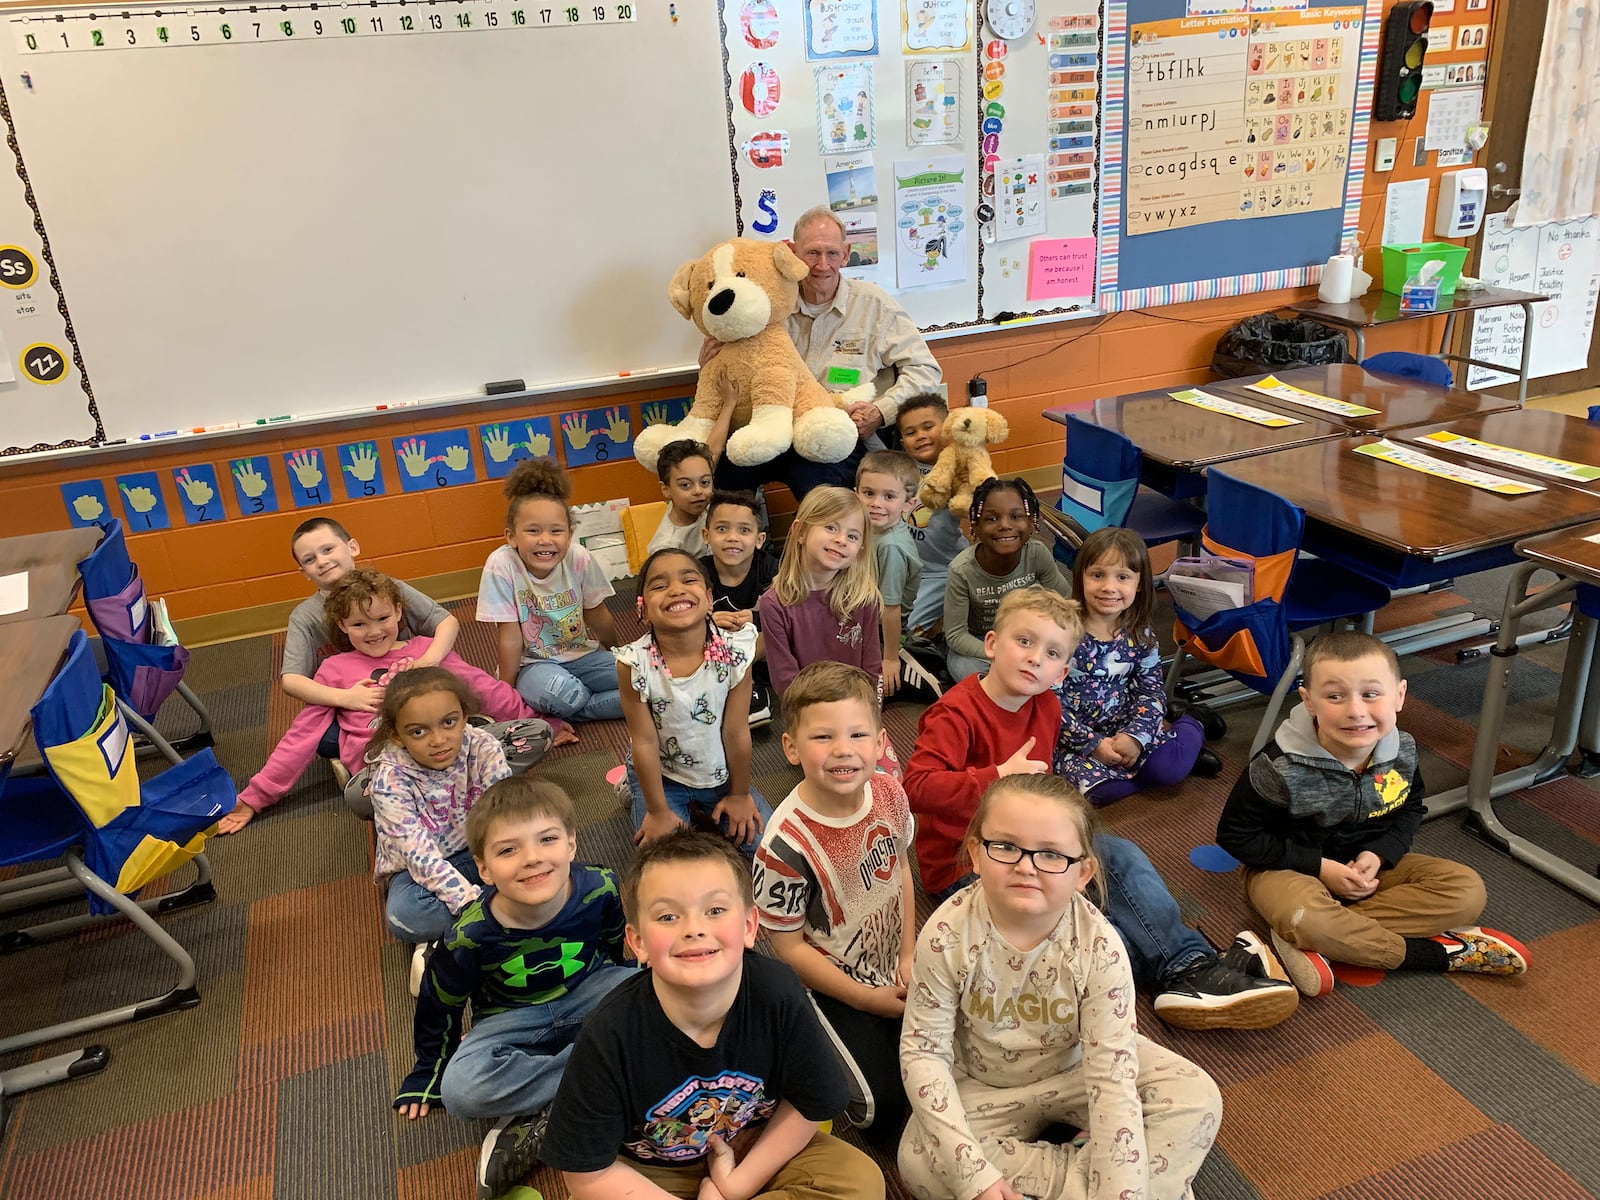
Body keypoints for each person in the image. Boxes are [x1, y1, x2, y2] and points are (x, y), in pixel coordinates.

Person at [905, 586, 1299, 1031]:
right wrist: (996, 776)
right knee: (1082, 909)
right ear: (992, 644)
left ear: (1062, 670)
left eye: (1052, 652)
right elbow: (916, 788)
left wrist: (1066, 837)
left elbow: (1046, 785)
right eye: (1024, 641)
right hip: (965, 859)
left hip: (1031, 836)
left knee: (1121, 857)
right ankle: (1156, 974)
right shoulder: (955, 713)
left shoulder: (1047, 705)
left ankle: (1189, 965)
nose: (1036, 658)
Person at [898, 773, 1224, 1200]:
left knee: (1196, 1097)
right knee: (918, 1160)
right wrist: (973, 1177)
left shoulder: (1099, 946)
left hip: (1080, 1068)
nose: (1026, 865)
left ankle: (1092, 1179)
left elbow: (1111, 1073)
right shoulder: (945, 934)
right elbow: (923, 1052)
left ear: (1083, 871)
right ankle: (1095, 1175)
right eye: (1007, 846)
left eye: (1051, 854)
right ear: (976, 853)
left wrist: (1119, 1190)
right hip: (983, 1085)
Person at [540, 829, 885, 1200]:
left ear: (750, 927)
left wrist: (738, 1186)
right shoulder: (610, 1033)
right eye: (668, 916)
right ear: (637, 942)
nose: (694, 929)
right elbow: (586, 1174)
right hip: (652, 1172)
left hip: (751, 1147)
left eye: (716, 910)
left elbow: (810, 1104)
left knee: (859, 1181)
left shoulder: (778, 993)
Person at [1217, 631, 1530, 996]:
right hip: (1287, 868)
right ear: (1309, 701)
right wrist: (1320, 868)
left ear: (1399, 696)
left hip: (1369, 867)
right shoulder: (1278, 766)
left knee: (1467, 892)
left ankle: (1312, 938)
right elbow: (1236, 836)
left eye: (1371, 694)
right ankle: (1431, 954)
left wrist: (1380, 853)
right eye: (1335, 696)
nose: (1355, 711)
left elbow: (1411, 808)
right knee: (1306, 914)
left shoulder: (1402, 750)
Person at [393, 776, 635, 1200]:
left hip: (591, 990)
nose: (532, 859)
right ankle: (600, 1077)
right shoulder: (470, 934)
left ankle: (550, 1101)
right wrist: (428, 1072)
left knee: (670, 999)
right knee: (461, 1089)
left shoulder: (601, 886)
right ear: (483, 867)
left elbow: (617, 948)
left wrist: (626, 1003)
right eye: (508, 850)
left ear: (571, 844)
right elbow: (439, 1004)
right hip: (510, 1020)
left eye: (547, 840)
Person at [221, 569, 549, 834]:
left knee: (535, 733)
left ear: (398, 611)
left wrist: (535, 717)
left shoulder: (423, 649)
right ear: (342, 626)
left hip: (446, 749)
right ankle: (457, 797)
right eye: (359, 624)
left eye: (382, 619)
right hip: (391, 771)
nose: (374, 631)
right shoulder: (334, 671)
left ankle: (454, 790)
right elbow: (301, 736)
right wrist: (255, 798)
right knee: (363, 792)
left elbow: (482, 685)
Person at [753, 663, 915, 1142]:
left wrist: (908, 953)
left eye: (858, 734)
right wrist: (865, 998)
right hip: (828, 987)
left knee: (970, 1045)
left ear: (881, 743)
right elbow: (789, 951)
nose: (843, 750)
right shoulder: (784, 847)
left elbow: (902, 871)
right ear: (791, 748)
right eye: (823, 737)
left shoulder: (889, 792)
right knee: (881, 1106)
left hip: (893, 961)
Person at [712, 206, 942, 501]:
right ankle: (740, 544)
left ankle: (819, 546)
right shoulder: (765, 304)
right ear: (792, 252)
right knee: (721, 478)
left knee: (817, 487)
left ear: (846, 254)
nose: (822, 265)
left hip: (841, 433)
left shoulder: (874, 305)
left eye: (832, 253)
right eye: (812, 253)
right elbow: (736, 363)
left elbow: (925, 369)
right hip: (775, 426)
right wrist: (709, 361)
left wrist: (881, 411)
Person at [280, 516, 461, 784]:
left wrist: (428, 660)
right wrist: (346, 698)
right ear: (304, 573)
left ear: (352, 547)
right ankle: (395, 759)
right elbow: (291, 680)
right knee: (325, 740)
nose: (321, 560)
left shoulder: (387, 589)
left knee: (454, 686)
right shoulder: (304, 617)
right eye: (309, 559)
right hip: (353, 702)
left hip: (403, 687)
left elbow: (447, 622)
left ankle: (415, 747)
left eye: (328, 549)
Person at [617, 548, 771, 852]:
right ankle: (635, 788)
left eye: (689, 580)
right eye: (659, 586)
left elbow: (736, 731)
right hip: (663, 776)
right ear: (643, 608)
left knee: (767, 847)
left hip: (719, 772)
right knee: (664, 860)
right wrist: (658, 811)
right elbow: (644, 741)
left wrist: (739, 795)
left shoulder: (735, 653)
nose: (676, 590)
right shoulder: (633, 663)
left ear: (709, 598)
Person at [1055, 527, 1221, 802]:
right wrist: (1093, 743)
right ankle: (1175, 757)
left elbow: (1151, 692)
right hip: (1077, 737)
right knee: (1101, 793)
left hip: (1129, 726)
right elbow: (1049, 701)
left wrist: (1135, 736)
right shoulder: (1060, 633)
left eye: (1122, 577)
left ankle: (1193, 723)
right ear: (1080, 576)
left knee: (1166, 771)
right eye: (1097, 575)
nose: (1109, 587)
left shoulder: (1140, 634)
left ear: (1140, 583)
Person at [478, 459, 621, 724]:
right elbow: (509, 637)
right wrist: (506, 694)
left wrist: (620, 655)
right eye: (533, 531)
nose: (545, 540)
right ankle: (579, 705)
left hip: (583, 656)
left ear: (569, 534)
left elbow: (597, 614)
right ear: (511, 536)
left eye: (556, 531)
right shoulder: (502, 565)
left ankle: (561, 712)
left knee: (641, 678)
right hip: (533, 666)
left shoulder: (579, 558)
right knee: (565, 695)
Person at [757, 486, 881, 699]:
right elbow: (785, 681)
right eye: (831, 528)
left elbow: (872, 669)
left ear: (860, 550)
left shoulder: (864, 598)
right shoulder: (774, 604)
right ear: (800, 532)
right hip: (806, 712)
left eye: (852, 536)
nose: (841, 540)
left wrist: (870, 716)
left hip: (856, 709)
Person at [944, 477, 1071, 681]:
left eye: (1016, 517)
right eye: (991, 519)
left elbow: (1065, 600)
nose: (1004, 525)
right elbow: (956, 635)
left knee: (1076, 656)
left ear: (1031, 523)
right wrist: (1003, 653)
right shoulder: (962, 571)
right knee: (963, 667)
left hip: (1029, 636)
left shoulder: (1037, 553)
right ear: (975, 527)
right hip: (984, 642)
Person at [699, 490, 780, 724]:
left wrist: (757, 618)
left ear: (759, 539)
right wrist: (709, 620)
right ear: (706, 535)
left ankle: (747, 684)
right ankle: (732, 686)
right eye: (722, 529)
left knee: (773, 631)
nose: (732, 537)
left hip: (758, 651)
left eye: (744, 530)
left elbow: (792, 610)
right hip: (717, 647)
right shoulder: (697, 573)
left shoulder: (771, 569)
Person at [896, 393, 968, 639]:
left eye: (928, 427)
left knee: (908, 633)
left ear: (947, 429)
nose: (921, 436)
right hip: (903, 567)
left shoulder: (960, 473)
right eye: (911, 432)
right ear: (903, 442)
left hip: (941, 570)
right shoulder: (898, 468)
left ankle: (950, 616)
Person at [856, 449, 922, 698]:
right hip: (864, 609)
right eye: (868, 493)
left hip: (882, 628)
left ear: (908, 503)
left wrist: (890, 658)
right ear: (856, 493)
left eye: (889, 496)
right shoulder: (868, 527)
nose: (876, 503)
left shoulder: (891, 546)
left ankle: (904, 663)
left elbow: (891, 608)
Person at [646, 439, 714, 556]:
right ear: (666, 490)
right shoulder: (666, 547)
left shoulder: (707, 506)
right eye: (685, 485)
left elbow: (716, 448)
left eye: (704, 482)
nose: (698, 491)